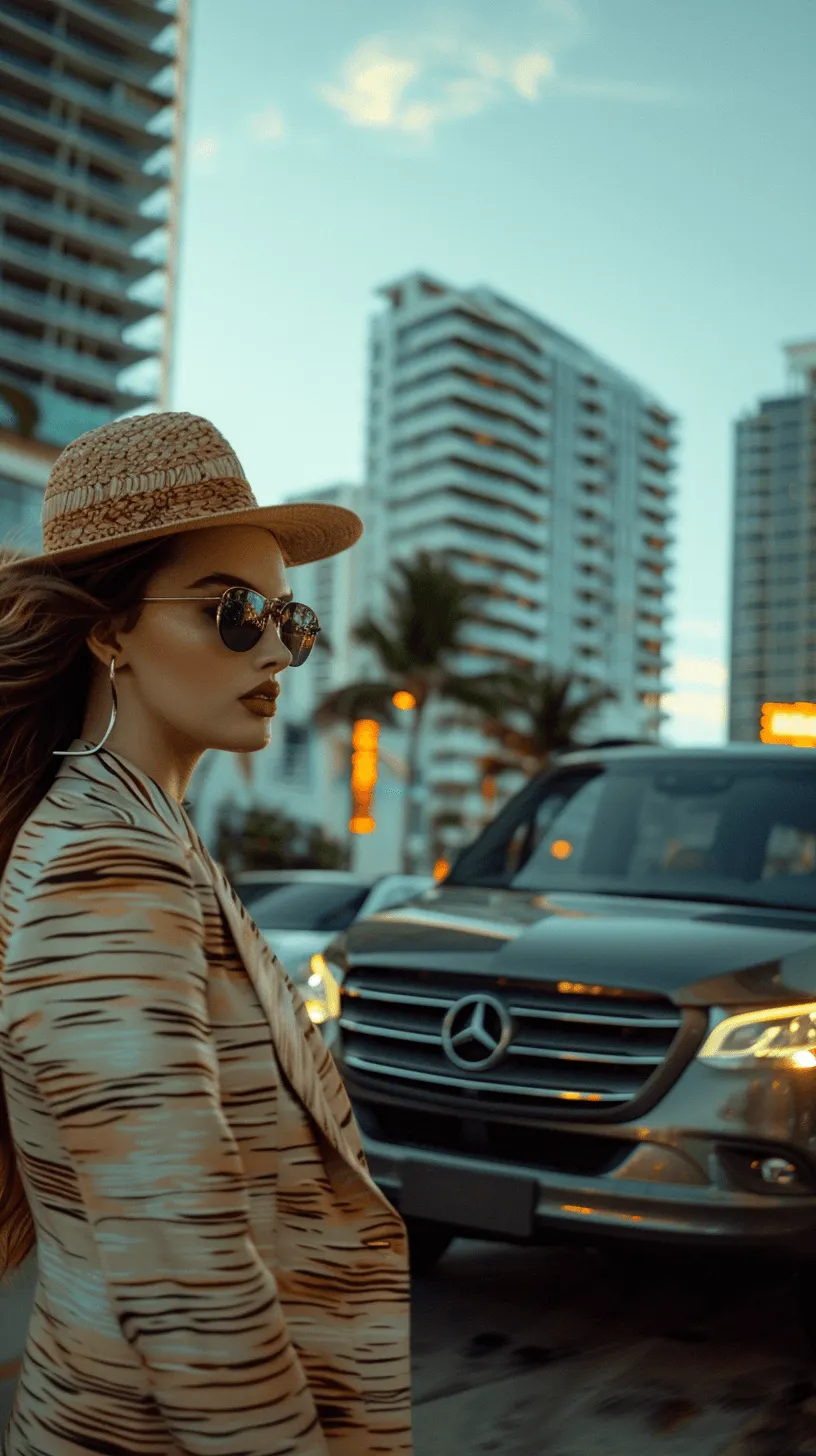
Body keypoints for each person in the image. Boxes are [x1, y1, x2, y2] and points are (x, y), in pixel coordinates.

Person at [0, 412, 413, 1456]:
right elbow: (185, 1281)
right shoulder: (108, 864)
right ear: (109, 631)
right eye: (234, 611)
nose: (279, 647)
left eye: (291, 618)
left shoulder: (147, 832)